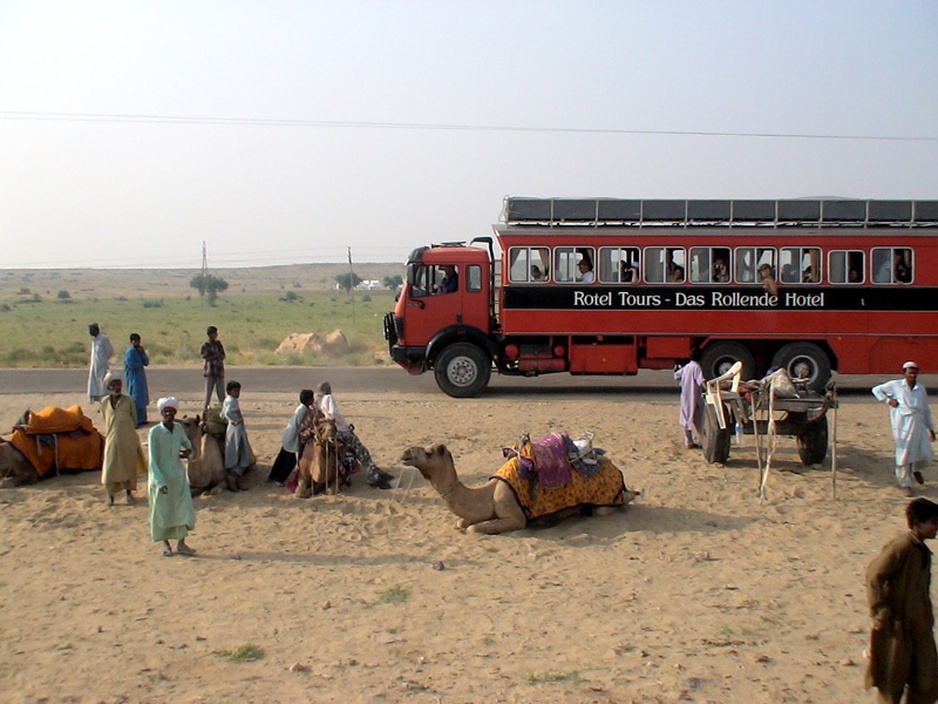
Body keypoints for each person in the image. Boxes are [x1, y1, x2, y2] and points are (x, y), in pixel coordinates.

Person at [865, 497, 938, 703]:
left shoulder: (920, 550)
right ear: (917, 523)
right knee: (891, 682)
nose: (936, 528)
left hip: (920, 626)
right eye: (933, 522)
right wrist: (880, 612)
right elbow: (874, 575)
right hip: (896, 625)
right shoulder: (902, 547)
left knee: (927, 680)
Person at [315, 381, 394, 489]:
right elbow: (334, 414)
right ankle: (373, 478)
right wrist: (346, 425)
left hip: (331, 431)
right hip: (341, 430)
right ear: (328, 390)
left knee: (356, 451)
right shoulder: (329, 398)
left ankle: (377, 472)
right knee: (363, 453)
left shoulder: (318, 400)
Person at [872, 362, 936, 496]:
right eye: (909, 372)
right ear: (904, 373)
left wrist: (930, 429)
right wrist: (888, 400)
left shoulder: (920, 388)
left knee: (925, 452)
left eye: (914, 373)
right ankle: (905, 484)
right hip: (903, 424)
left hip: (918, 423)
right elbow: (876, 390)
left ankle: (916, 469)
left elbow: (925, 409)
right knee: (904, 455)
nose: (912, 375)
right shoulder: (895, 385)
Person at [148, 397, 196, 557]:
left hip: (178, 476)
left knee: (183, 509)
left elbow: (187, 444)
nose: (168, 413)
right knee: (163, 511)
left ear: (175, 412)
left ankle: (181, 544)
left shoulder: (178, 429)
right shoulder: (154, 432)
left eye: (171, 411)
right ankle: (165, 544)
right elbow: (153, 460)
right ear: (161, 413)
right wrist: (159, 482)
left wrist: (187, 451)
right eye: (165, 411)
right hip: (161, 478)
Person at [99, 371, 144, 506]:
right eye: (113, 384)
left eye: (118, 384)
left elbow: (134, 419)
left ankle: (129, 494)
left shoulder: (128, 400)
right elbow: (105, 419)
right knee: (110, 467)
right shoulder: (105, 402)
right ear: (109, 387)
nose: (117, 387)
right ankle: (110, 496)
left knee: (128, 466)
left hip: (128, 438)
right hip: (112, 438)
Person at [268, 389, 315, 485]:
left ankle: (273, 476)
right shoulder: (303, 410)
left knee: (282, 456)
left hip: (288, 434)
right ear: (309, 400)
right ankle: (280, 479)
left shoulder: (302, 408)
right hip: (292, 436)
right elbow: (301, 425)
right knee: (291, 461)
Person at [222, 381, 253, 491]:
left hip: (235, 428)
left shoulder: (229, 400)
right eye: (235, 391)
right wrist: (234, 420)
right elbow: (228, 413)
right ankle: (233, 480)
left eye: (238, 391)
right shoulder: (231, 401)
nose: (238, 393)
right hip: (236, 429)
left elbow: (223, 413)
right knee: (239, 452)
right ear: (230, 391)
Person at [674, 347, 707, 449]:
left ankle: (688, 441)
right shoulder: (696, 367)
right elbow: (701, 381)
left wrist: (682, 384)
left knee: (686, 418)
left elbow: (676, 375)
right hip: (695, 398)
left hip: (685, 397)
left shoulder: (687, 367)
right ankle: (703, 441)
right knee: (700, 420)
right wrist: (709, 389)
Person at [124, 332, 150, 426]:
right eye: (135, 341)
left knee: (142, 397)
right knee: (135, 397)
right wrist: (140, 363)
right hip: (133, 377)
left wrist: (142, 353)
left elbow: (146, 362)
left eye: (138, 341)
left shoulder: (139, 350)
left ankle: (143, 418)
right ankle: (136, 420)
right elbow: (132, 365)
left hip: (140, 377)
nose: (137, 342)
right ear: (131, 342)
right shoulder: (130, 352)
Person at [201, 326, 226, 414]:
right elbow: (206, 356)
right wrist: (216, 355)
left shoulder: (218, 344)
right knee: (208, 394)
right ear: (210, 334)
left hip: (219, 370)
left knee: (221, 394)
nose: (216, 335)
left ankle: (223, 411)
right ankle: (204, 411)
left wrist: (217, 356)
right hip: (210, 371)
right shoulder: (206, 345)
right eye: (214, 333)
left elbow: (223, 355)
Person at [87, 323, 114, 403]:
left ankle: (105, 403)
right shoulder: (94, 340)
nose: (90, 333)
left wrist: (103, 360)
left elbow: (110, 351)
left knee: (103, 385)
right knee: (95, 385)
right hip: (94, 366)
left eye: (91, 331)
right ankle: (100, 403)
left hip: (102, 367)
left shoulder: (104, 339)